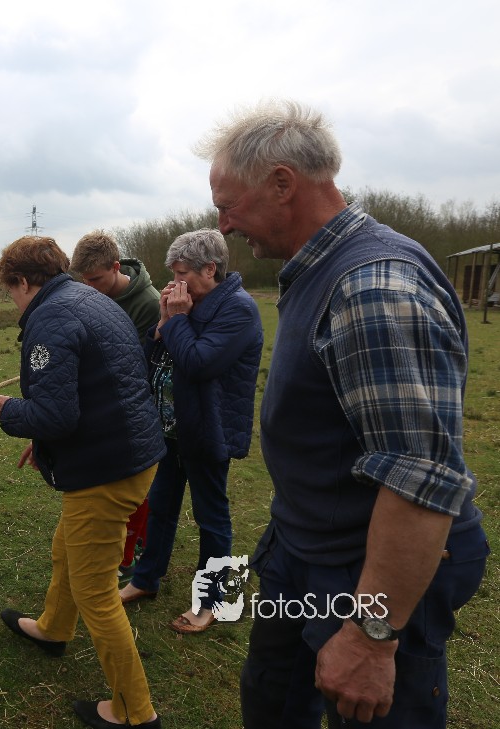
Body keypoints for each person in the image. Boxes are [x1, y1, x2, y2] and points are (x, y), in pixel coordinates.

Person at [194, 99, 488, 726]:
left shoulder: (371, 287)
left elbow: (419, 475)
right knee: (273, 698)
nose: (223, 226)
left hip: (366, 575)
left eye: (228, 205)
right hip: (306, 550)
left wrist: (371, 638)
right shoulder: (319, 268)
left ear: (282, 184)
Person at [0, 236, 166, 729]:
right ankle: (52, 628)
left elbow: (57, 414)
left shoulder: (51, 318)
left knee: (96, 591)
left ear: (23, 281)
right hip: (127, 453)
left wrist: (12, 412)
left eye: (10, 290)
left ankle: (134, 712)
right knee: (68, 547)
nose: (13, 300)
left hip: (107, 468)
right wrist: (43, 441)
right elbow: (98, 384)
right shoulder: (89, 299)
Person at [117, 229, 263, 635]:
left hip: (207, 429)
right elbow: (153, 358)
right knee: (161, 507)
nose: (175, 283)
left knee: (211, 516)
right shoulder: (189, 304)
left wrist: (177, 320)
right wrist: (163, 323)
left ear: (209, 269)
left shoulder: (238, 309)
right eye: (173, 274)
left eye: (182, 274)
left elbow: (199, 362)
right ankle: (147, 578)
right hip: (169, 429)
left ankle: (214, 601)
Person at [70, 229, 161, 578]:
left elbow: (138, 363)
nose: (89, 287)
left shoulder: (148, 304)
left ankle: (132, 550)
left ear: (116, 267)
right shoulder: (93, 295)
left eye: (95, 279)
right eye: (84, 280)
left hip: (136, 406)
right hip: (102, 401)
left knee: (135, 482)